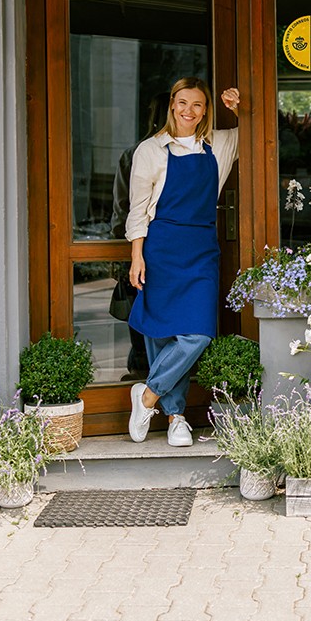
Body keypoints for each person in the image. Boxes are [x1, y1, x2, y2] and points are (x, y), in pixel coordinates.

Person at [125, 77, 240, 447]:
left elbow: (261, 131)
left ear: (206, 110)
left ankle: (147, 396)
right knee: (161, 334)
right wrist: (136, 256)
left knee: (197, 334)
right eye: (182, 102)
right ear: (172, 104)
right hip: (161, 247)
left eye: (198, 105)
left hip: (201, 249)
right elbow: (138, 210)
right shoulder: (151, 150)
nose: (189, 111)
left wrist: (239, 106)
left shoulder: (219, 144)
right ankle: (176, 418)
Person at [110, 91, 170, 379]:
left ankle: (143, 372)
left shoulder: (133, 153)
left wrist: (120, 252)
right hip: (157, 247)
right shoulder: (139, 153)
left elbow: (121, 208)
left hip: (141, 245)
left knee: (140, 310)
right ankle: (156, 377)